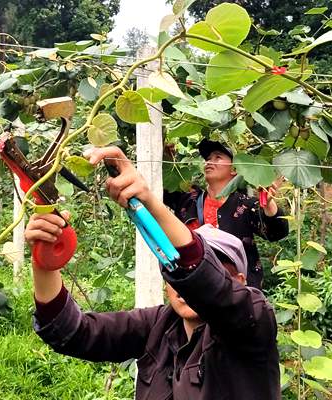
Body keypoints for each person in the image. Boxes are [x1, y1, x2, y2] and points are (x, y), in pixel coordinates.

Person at [26, 146, 280, 400]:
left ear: (239, 281)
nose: (187, 285)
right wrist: (46, 262)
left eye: (219, 269)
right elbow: (74, 333)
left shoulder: (254, 323)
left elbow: (208, 282)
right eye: (174, 266)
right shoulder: (157, 327)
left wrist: (149, 202)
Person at [164, 139, 289, 289]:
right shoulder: (188, 199)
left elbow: (277, 232)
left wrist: (269, 205)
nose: (210, 161)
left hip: (236, 292)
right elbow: (157, 186)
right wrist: (166, 156)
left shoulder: (246, 204)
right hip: (193, 290)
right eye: (208, 158)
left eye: (218, 157)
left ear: (234, 169)